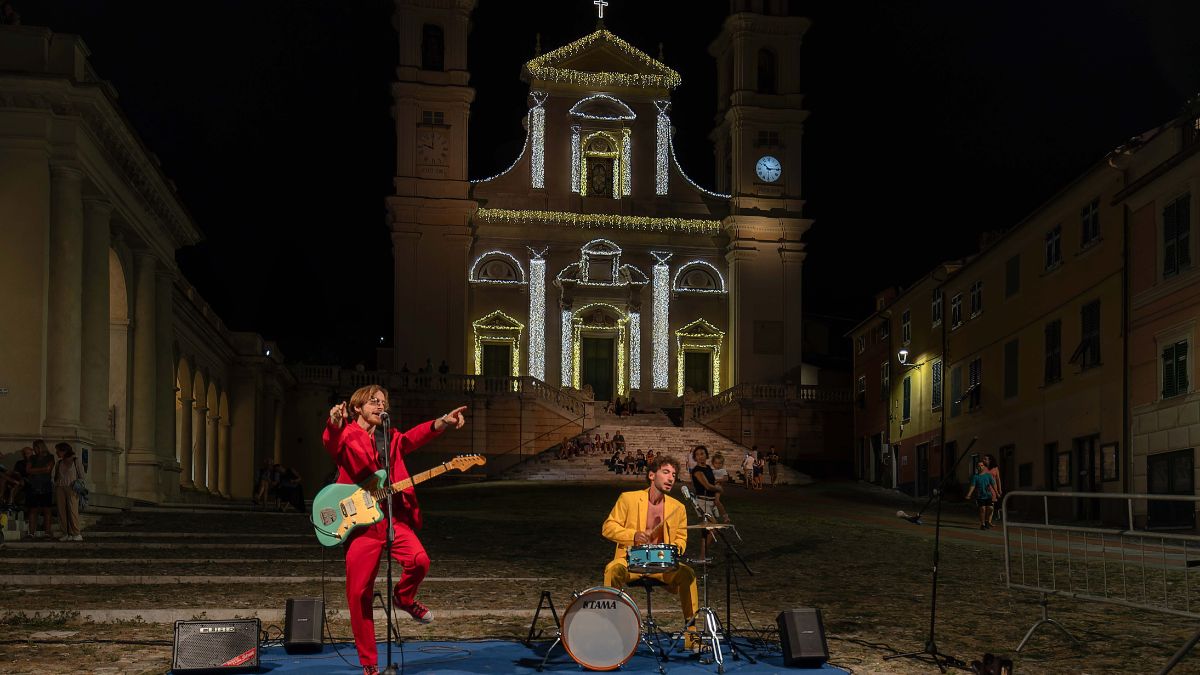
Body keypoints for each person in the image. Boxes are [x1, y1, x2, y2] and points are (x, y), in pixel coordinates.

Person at [322, 384, 468, 675]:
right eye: (373, 402)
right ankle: (369, 663)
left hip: (393, 517)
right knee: (359, 593)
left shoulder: (389, 437)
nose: (380, 406)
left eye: (383, 402)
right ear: (357, 408)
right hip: (362, 525)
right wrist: (334, 423)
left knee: (420, 561)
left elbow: (414, 437)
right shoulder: (347, 434)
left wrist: (442, 422)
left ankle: (403, 598)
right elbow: (331, 441)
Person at [601, 455, 699, 652]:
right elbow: (608, 527)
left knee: (688, 574)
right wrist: (634, 535)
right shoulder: (628, 498)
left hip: (662, 563)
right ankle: (612, 631)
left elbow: (681, 538)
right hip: (632, 560)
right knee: (612, 570)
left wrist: (673, 550)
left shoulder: (678, 508)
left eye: (674, 474)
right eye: (666, 472)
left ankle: (692, 637)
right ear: (652, 475)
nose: (671, 478)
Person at [52, 442, 85, 541]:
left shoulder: (76, 460)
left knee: (72, 510)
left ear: (64, 450)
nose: (57, 452)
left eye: (58, 450)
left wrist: (78, 484)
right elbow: (56, 476)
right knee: (61, 511)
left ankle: (76, 532)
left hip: (72, 487)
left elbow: (81, 475)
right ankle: (66, 532)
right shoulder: (59, 462)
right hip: (60, 487)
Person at [25, 440, 54, 539]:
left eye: (36, 447)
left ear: (40, 447)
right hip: (34, 486)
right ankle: (31, 532)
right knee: (33, 510)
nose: (34, 449)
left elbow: (49, 469)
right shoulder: (32, 458)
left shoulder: (50, 457)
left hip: (45, 486)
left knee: (47, 510)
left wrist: (34, 471)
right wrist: (42, 470)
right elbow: (28, 470)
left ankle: (47, 532)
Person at [689, 446, 724, 524]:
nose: (700, 457)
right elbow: (707, 486)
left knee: (707, 531)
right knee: (713, 525)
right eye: (697, 455)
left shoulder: (708, 467)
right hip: (703, 502)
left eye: (702, 454)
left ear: (706, 455)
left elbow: (713, 482)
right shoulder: (697, 470)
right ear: (695, 457)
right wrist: (719, 489)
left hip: (712, 501)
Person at [964, 460, 997, 530]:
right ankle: (983, 524)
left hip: (988, 495)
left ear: (984, 467)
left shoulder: (988, 475)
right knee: (982, 509)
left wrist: (997, 492)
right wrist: (969, 494)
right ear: (977, 467)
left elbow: (993, 484)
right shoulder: (975, 477)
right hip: (980, 496)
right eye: (979, 466)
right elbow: (972, 486)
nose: (980, 467)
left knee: (991, 508)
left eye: (982, 465)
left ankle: (987, 521)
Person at [985, 454, 1003, 526]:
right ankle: (985, 521)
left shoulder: (995, 468)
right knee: (986, 506)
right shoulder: (983, 468)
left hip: (993, 489)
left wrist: (999, 489)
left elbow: (998, 479)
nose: (984, 460)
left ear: (990, 460)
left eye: (986, 459)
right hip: (985, 489)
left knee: (991, 506)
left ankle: (989, 521)